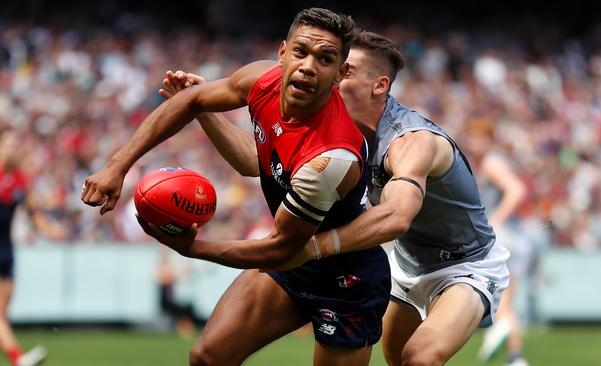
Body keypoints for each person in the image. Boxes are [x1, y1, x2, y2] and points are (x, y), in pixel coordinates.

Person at [164, 31, 510, 366]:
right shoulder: (335, 126)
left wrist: (312, 247)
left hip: (465, 265)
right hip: (407, 261)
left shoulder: (413, 141)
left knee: (418, 358)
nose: (334, 77)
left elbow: (396, 216)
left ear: (379, 85)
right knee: (395, 359)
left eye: (348, 71)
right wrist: (202, 110)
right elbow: (254, 162)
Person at [81, 8, 390, 366]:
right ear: (282, 53)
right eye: (301, 52)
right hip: (293, 264)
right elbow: (199, 105)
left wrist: (193, 248)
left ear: (339, 74)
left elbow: (279, 249)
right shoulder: (263, 79)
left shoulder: (331, 158)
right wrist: (117, 165)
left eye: (325, 59)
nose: (308, 66)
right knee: (208, 358)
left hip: (346, 280)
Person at [463, 121, 532, 366]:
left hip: (504, 238)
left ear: (488, 140)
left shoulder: (492, 162)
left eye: (477, 138)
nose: (472, 144)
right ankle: (516, 358)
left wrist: (495, 222)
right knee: (506, 304)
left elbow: (516, 190)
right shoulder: (491, 162)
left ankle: (497, 331)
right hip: (515, 238)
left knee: (498, 302)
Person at [0, 130, 60, 366]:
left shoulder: (20, 179)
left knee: (2, 312)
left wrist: (49, 229)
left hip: (6, 249)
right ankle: (18, 359)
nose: (14, 149)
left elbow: (34, 214)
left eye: (17, 144)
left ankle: (17, 358)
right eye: (9, 144)